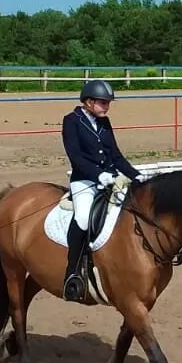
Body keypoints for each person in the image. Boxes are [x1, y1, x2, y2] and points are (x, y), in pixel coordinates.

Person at [61, 79, 143, 302]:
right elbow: (75, 157)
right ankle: (72, 273)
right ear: (88, 102)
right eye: (103, 102)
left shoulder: (105, 123)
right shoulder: (71, 121)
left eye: (108, 103)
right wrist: (98, 175)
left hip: (111, 179)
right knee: (84, 219)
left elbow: (115, 156)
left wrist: (137, 176)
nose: (106, 106)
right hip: (84, 181)